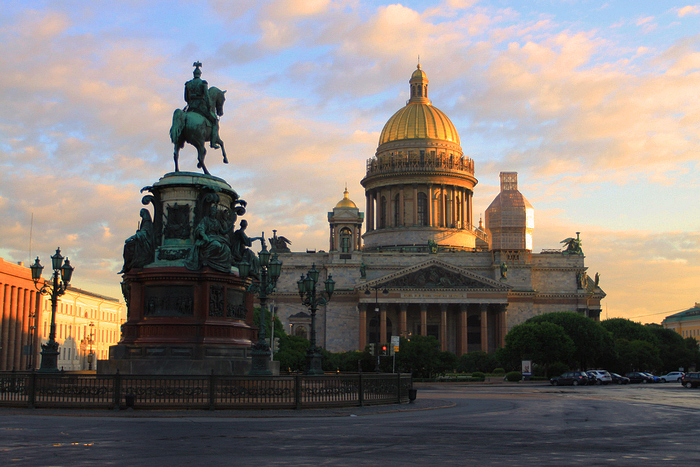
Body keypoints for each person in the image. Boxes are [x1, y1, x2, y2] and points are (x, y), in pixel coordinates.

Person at [184, 61, 220, 149]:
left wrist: (190, 102)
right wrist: (209, 105)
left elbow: (186, 98)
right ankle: (213, 142)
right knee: (214, 121)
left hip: (191, 107)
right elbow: (207, 97)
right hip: (200, 106)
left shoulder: (188, 84)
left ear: (194, 74)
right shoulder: (203, 83)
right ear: (200, 74)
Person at [119, 209, 154, 274]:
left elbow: (144, 233)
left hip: (146, 242)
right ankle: (126, 266)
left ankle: (130, 265)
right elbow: (143, 233)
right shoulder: (145, 221)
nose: (140, 213)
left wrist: (131, 237)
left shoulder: (147, 222)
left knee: (129, 246)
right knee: (128, 246)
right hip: (142, 240)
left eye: (141, 212)